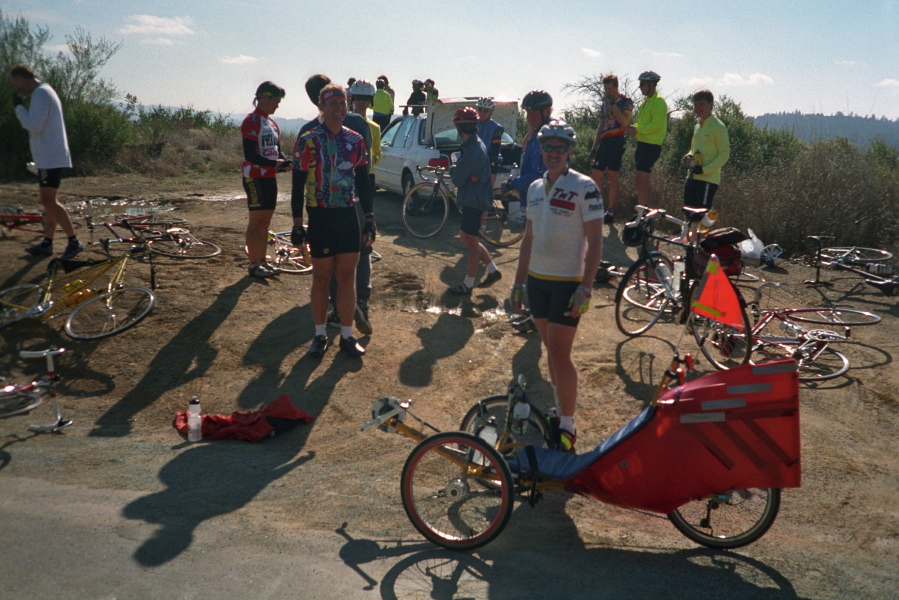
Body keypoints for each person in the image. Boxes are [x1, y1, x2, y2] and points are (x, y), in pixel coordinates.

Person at [509, 121, 604, 453]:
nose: (552, 154)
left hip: (568, 284)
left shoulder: (585, 186)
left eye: (559, 148)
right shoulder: (535, 188)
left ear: (569, 152)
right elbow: (528, 240)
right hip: (537, 281)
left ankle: (567, 425)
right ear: (541, 150)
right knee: (551, 349)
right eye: (547, 148)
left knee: (561, 354)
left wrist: (586, 288)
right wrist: (518, 283)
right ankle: (557, 407)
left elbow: (595, 241)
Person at [291, 84, 375, 359]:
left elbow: (364, 181)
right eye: (333, 104)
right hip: (320, 214)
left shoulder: (356, 139)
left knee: (347, 277)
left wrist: (370, 218)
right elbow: (297, 184)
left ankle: (347, 336)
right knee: (322, 276)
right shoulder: (308, 139)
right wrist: (296, 223)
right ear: (321, 107)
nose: (339, 109)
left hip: (349, 214)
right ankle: (319, 334)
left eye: (343, 103)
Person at [9, 64, 83, 260]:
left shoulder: (41, 94)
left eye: (15, 83)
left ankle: (74, 241)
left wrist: (18, 108)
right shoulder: (43, 92)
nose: (16, 89)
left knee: (48, 201)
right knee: (48, 203)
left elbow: (34, 125)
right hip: (49, 156)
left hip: (51, 157)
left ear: (22, 78)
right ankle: (48, 242)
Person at [447, 107, 502, 295]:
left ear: (459, 127)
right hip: (474, 198)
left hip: (474, 200)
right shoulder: (473, 144)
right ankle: (493, 271)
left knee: (471, 243)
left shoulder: (472, 150)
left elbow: (456, 178)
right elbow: (465, 175)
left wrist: (455, 167)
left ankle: (468, 284)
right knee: (468, 238)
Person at [345, 79, 384, 332]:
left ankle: (359, 300)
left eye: (364, 99)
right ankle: (352, 300)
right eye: (357, 98)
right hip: (349, 184)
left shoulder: (374, 127)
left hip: (363, 181)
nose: (360, 102)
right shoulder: (342, 123)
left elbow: (376, 155)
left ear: (370, 102)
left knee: (363, 243)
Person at [241, 81, 289, 278]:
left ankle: (262, 260)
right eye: (275, 101)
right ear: (264, 97)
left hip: (270, 177)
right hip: (254, 177)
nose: (277, 106)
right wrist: (274, 164)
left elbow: (277, 151)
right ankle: (254, 264)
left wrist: (285, 162)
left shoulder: (272, 123)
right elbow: (250, 154)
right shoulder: (251, 121)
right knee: (256, 222)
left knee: (265, 222)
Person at [682, 89, 730, 233]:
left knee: (701, 216)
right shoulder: (697, 127)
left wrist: (704, 169)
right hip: (692, 176)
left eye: (701, 104)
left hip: (708, 180)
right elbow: (694, 149)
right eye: (695, 105)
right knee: (688, 214)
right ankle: (688, 246)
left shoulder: (718, 127)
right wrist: (687, 157)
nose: (698, 109)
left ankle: (700, 247)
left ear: (711, 104)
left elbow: (724, 155)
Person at [588, 74, 633, 224]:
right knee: (595, 175)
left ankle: (611, 210)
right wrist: (594, 148)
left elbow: (625, 122)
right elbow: (601, 127)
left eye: (609, 88)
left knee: (612, 176)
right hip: (605, 141)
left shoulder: (626, 101)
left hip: (617, 140)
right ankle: (599, 207)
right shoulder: (604, 104)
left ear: (616, 87)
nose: (607, 91)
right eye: (605, 89)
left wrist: (614, 104)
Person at [508, 90, 553, 219]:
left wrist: (514, 183)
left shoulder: (551, 135)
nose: (529, 117)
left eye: (534, 113)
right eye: (527, 113)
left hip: (546, 203)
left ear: (547, 112)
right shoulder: (536, 134)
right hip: (535, 200)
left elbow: (541, 176)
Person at [626, 71, 667, 208]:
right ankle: (643, 212)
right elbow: (644, 124)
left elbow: (656, 125)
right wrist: (634, 127)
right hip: (642, 143)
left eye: (642, 84)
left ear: (651, 85)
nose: (640, 87)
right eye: (640, 83)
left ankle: (646, 214)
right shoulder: (645, 103)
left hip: (651, 145)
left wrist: (638, 129)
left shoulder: (659, 102)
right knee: (640, 182)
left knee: (643, 180)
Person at [476, 97, 504, 187]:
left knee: (487, 189)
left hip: (489, 159)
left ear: (491, 112)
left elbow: (495, 150)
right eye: (480, 109)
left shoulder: (496, 128)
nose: (482, 113)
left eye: (486, 110)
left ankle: (489, 196)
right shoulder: (472, 124)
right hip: (475, 158)